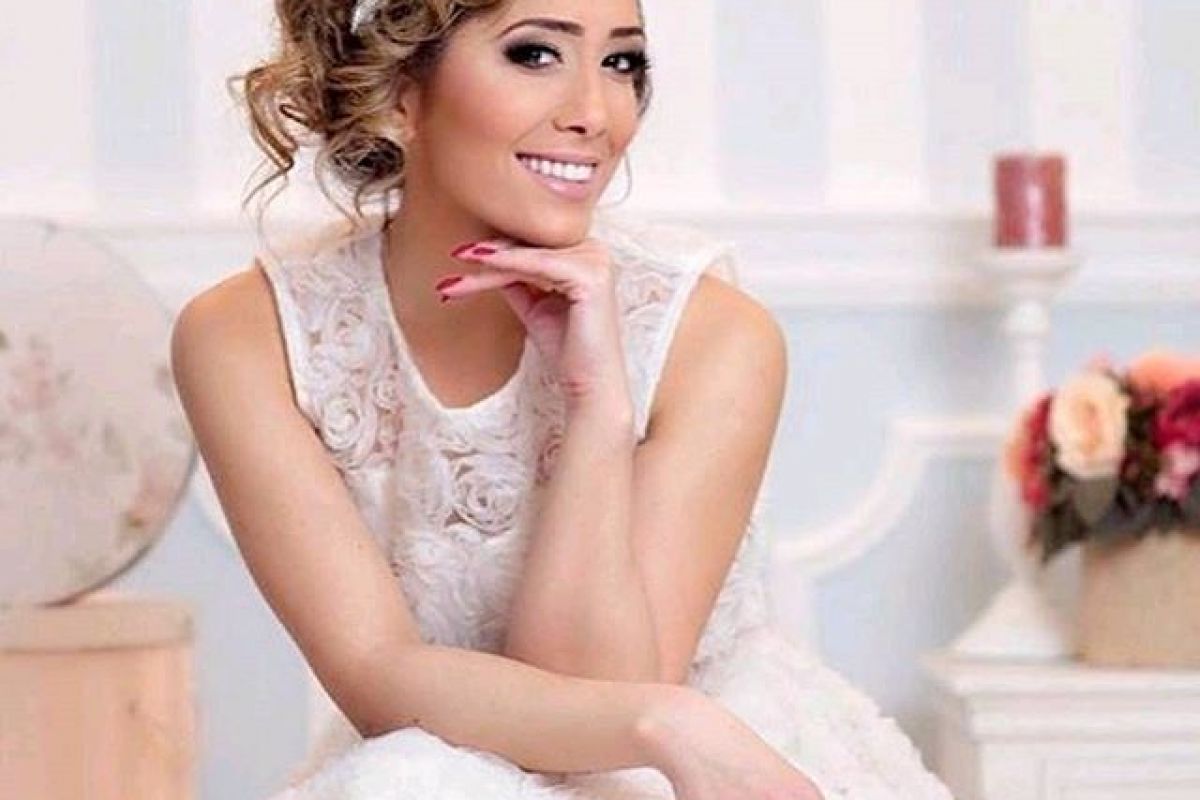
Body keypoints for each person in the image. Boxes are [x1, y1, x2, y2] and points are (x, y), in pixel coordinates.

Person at [170, 1, 956, 798]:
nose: (595, 113)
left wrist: (598, 406)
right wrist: (674, 724)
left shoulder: (714, 335)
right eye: (536, 54)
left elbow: (605, 716)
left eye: (621, 62)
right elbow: (378, 674)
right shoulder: (247, 338)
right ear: (399, 92)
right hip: (504, 751)